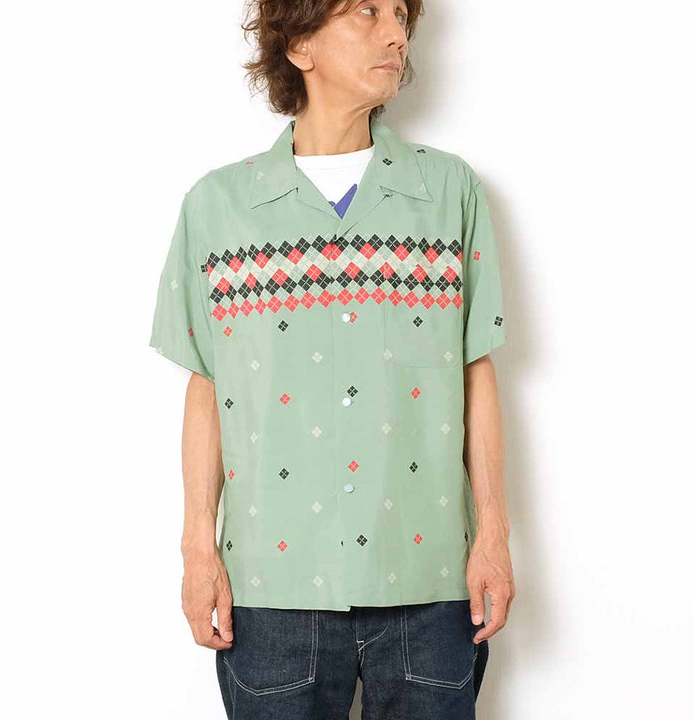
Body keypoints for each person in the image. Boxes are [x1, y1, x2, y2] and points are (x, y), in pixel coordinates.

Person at [148, 1, 515, 717]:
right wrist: (197, 550)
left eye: (401, 15)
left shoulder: (448, 193)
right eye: (367, 12)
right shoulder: (218, 208)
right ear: (300, 44)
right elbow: (208, 385)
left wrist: (494, 538)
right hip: (271, 590)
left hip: (429, 581)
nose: (396, 34)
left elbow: (476, 373)